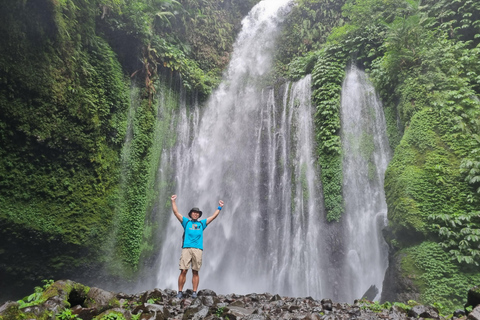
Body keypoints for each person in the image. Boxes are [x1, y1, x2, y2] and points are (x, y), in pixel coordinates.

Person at [170, 194, 224, 299]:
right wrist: (173, 201)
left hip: (198, 249)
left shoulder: (202, 224)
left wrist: (220, 207)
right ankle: (180, 292)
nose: (195, 214)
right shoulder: (186, 222)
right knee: (183, 270)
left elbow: (213, 217)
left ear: (199, 215)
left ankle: (194, 292)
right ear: (191, 214)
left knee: (195, 271)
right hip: (186, 248)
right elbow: (176, 213)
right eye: (194, 212)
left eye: (197, 213)